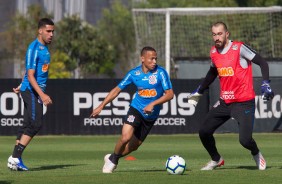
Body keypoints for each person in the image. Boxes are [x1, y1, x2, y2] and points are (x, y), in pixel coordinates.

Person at [187, 21, 274, 171]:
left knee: (245, 141)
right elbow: (213, 73)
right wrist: (199, 90)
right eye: (214, 34)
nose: (217, 38)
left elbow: (262, 62)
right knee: (204, 132)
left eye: (220, 34)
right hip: (224, 102)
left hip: (244, 102)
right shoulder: (213, 52)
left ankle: (256, 153)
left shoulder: (239, 48)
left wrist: (265, 82)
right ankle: (216, 159)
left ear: (227, 34)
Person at [91, 46, 174, 173]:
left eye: (156, 59)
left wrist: (153, 104)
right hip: (136, 109)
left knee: (134, 147)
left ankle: (113, 158)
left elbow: (170, 94)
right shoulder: (133, 74)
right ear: (142, 58)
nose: (154, 62)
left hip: (150, 116)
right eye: (151, 59)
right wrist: (101, 106)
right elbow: (117, 90)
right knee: (125, 137)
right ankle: (112, 162)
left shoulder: (161, 73)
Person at [7, 18, 55, 171]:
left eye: (53, 31)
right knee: (36, 123)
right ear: (40, 31)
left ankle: (15, 160)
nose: (51, 34)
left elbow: (28, 73)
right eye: (48, 31)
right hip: (32, 91)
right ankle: (15, 157)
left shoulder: (44, 49)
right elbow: (31, 75)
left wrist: (21, 84)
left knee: (27, 124)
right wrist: (42, 95)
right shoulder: (34, 48)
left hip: (29, 88)